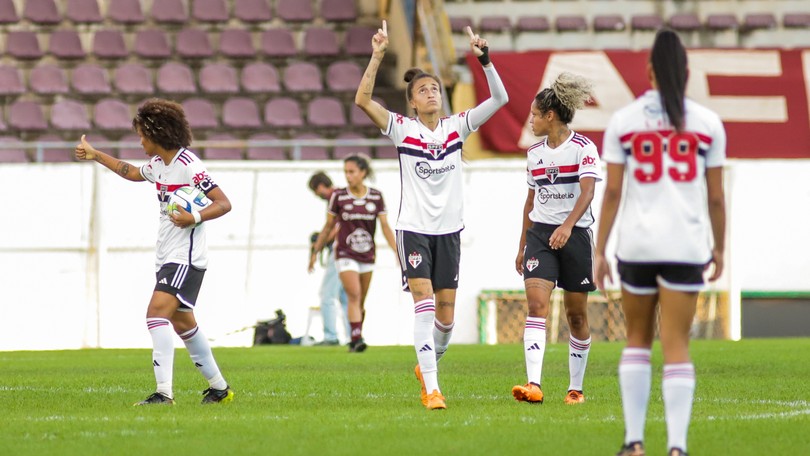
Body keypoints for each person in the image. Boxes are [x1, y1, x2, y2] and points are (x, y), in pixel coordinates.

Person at [355, 21, 508, 409]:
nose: (431, 92)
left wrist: (485, 60)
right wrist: (376, 56)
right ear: (412, 102)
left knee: (447, 318)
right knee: (422, 303)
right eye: (423, 90)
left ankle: (427, 368)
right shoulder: (402, 130)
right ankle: (433, 390)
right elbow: (362, 101)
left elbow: (500, 100)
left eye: (435, 88)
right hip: (414, 230)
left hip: (450, 232)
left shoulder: (458, 127)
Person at [594, 29, 726, 456]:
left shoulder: (624, 121)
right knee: (677, 344)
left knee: (636, 339)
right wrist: (719, 248)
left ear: (649, 71)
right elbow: (716, 196)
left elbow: (611, 193)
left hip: (637, 246)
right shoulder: (707, 124)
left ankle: (633, 443)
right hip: (685, 246)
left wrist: (600, 250)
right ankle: (676, 446)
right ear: (686, 74)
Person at [74, 98, 235, 406]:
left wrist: (193, 217)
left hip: (185, 259)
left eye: (142, 135)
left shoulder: (189, 165)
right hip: (167, 256)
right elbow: (131, 172)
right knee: (183, 323)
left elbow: (224, 203)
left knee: (155, 315)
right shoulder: (159, 165)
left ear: (156, 133)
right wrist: (95, 155)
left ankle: (164, 394)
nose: (140, 141)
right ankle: (219, 389)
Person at [511, 73, 600, 406]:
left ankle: (575, 388)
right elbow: (530, 202)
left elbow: (588, 192)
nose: (531, 120)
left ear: (550, 116)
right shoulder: (534, 154)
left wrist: (567, 226)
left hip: (575, 235)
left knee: (576, 316)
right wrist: (522, 244)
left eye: (534, 114)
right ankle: (533, 384)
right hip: (540, 236)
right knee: (536, 306)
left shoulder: (584, 148)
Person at [309, 155, 397, 352]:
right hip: (345, 253)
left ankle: (356, 332)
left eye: (352, 172)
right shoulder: (339, 197)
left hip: (367, 254)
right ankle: (355, 339)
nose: (348, 176)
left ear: (363, 173)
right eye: (345, 172)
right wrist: (316, 251)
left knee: (360, 300)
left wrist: (396, 250)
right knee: (353, 294)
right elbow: (328, 226)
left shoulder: (376, 196)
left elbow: (385, 226)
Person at [307, 171, 350, 346]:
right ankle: (353, 336)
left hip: (340, 251)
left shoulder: (335, 198)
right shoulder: (345, 195)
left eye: (315, 191)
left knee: (326, 295)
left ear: (320, 186)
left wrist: (320, 245)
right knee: (345, 296)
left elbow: (336, 226)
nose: (317, 196)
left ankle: (331, 336)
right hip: (351, 252)